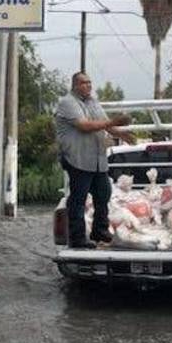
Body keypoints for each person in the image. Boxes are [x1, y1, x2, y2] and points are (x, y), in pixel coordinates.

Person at [54, 72, 134, 248]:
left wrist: (122, 133)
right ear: (75, 85)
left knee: (103, 193)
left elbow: (105, 123)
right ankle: (77, 238)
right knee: (78, 199)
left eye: (90, 82)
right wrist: (114, 121)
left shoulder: (92, 102)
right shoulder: (68, 102)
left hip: (96, 159)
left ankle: (99, 230)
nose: (88, 86)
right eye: (84, 83)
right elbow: (84, 126)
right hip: (78, 158)